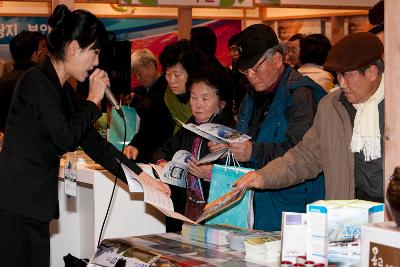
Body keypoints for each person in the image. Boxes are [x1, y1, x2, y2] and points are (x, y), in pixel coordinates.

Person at [0, 5, 170, 267]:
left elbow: (94, 144)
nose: (97, 62)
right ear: (72, 48)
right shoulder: (36, 82)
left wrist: (141, 176)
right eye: (95, 52)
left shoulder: (60, 88)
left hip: (32, 205)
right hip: (16, 205)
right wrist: (92, 99)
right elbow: (64, 138)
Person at [234, 32, 385, 204]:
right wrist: (265, 176)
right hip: (347, 215)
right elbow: (306, 156)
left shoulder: (393, 110)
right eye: (338, 75)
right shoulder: (332, 107)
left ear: (372, 73)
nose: (341, 83)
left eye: (347, 75)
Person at [210, 24, 326, 231]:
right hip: (256, 202)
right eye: (245, 70)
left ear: (278, 59)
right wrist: (229, 147)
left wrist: (253, 151)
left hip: (292, 205)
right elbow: (248, 139)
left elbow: (303, 154)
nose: (251, 76)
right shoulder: (251, 95)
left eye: (256, 68)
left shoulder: (302, 96)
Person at [152, 66, 235, 232]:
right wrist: (162, 163)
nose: (197, 104)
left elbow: (240, 170)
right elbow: (163, 149)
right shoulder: (189, 126)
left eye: (205, 99)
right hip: (188, 207)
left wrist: (211, 173)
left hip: (218, 209)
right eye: (193, 97)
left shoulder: (229, 131)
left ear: (221, 103)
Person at [123, 49, 173, 162]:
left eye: (139, 73)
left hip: (161, 151)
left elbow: (156, 113)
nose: (138, 78)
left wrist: (137, 100)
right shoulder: (138, 91)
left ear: (151, 66)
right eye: (135, 75)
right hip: (141, 147)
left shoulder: (167, 88)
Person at [0, 30, 48, 135]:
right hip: (37, 146)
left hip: (7, 145)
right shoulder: (44, 83)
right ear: (37, 53)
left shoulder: (3, 82)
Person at [159, 40, 194, 135]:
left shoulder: (206, 95)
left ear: (191, 73)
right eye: (168, 74)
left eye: (177, 75)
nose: (172, 80)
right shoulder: (169, 95)